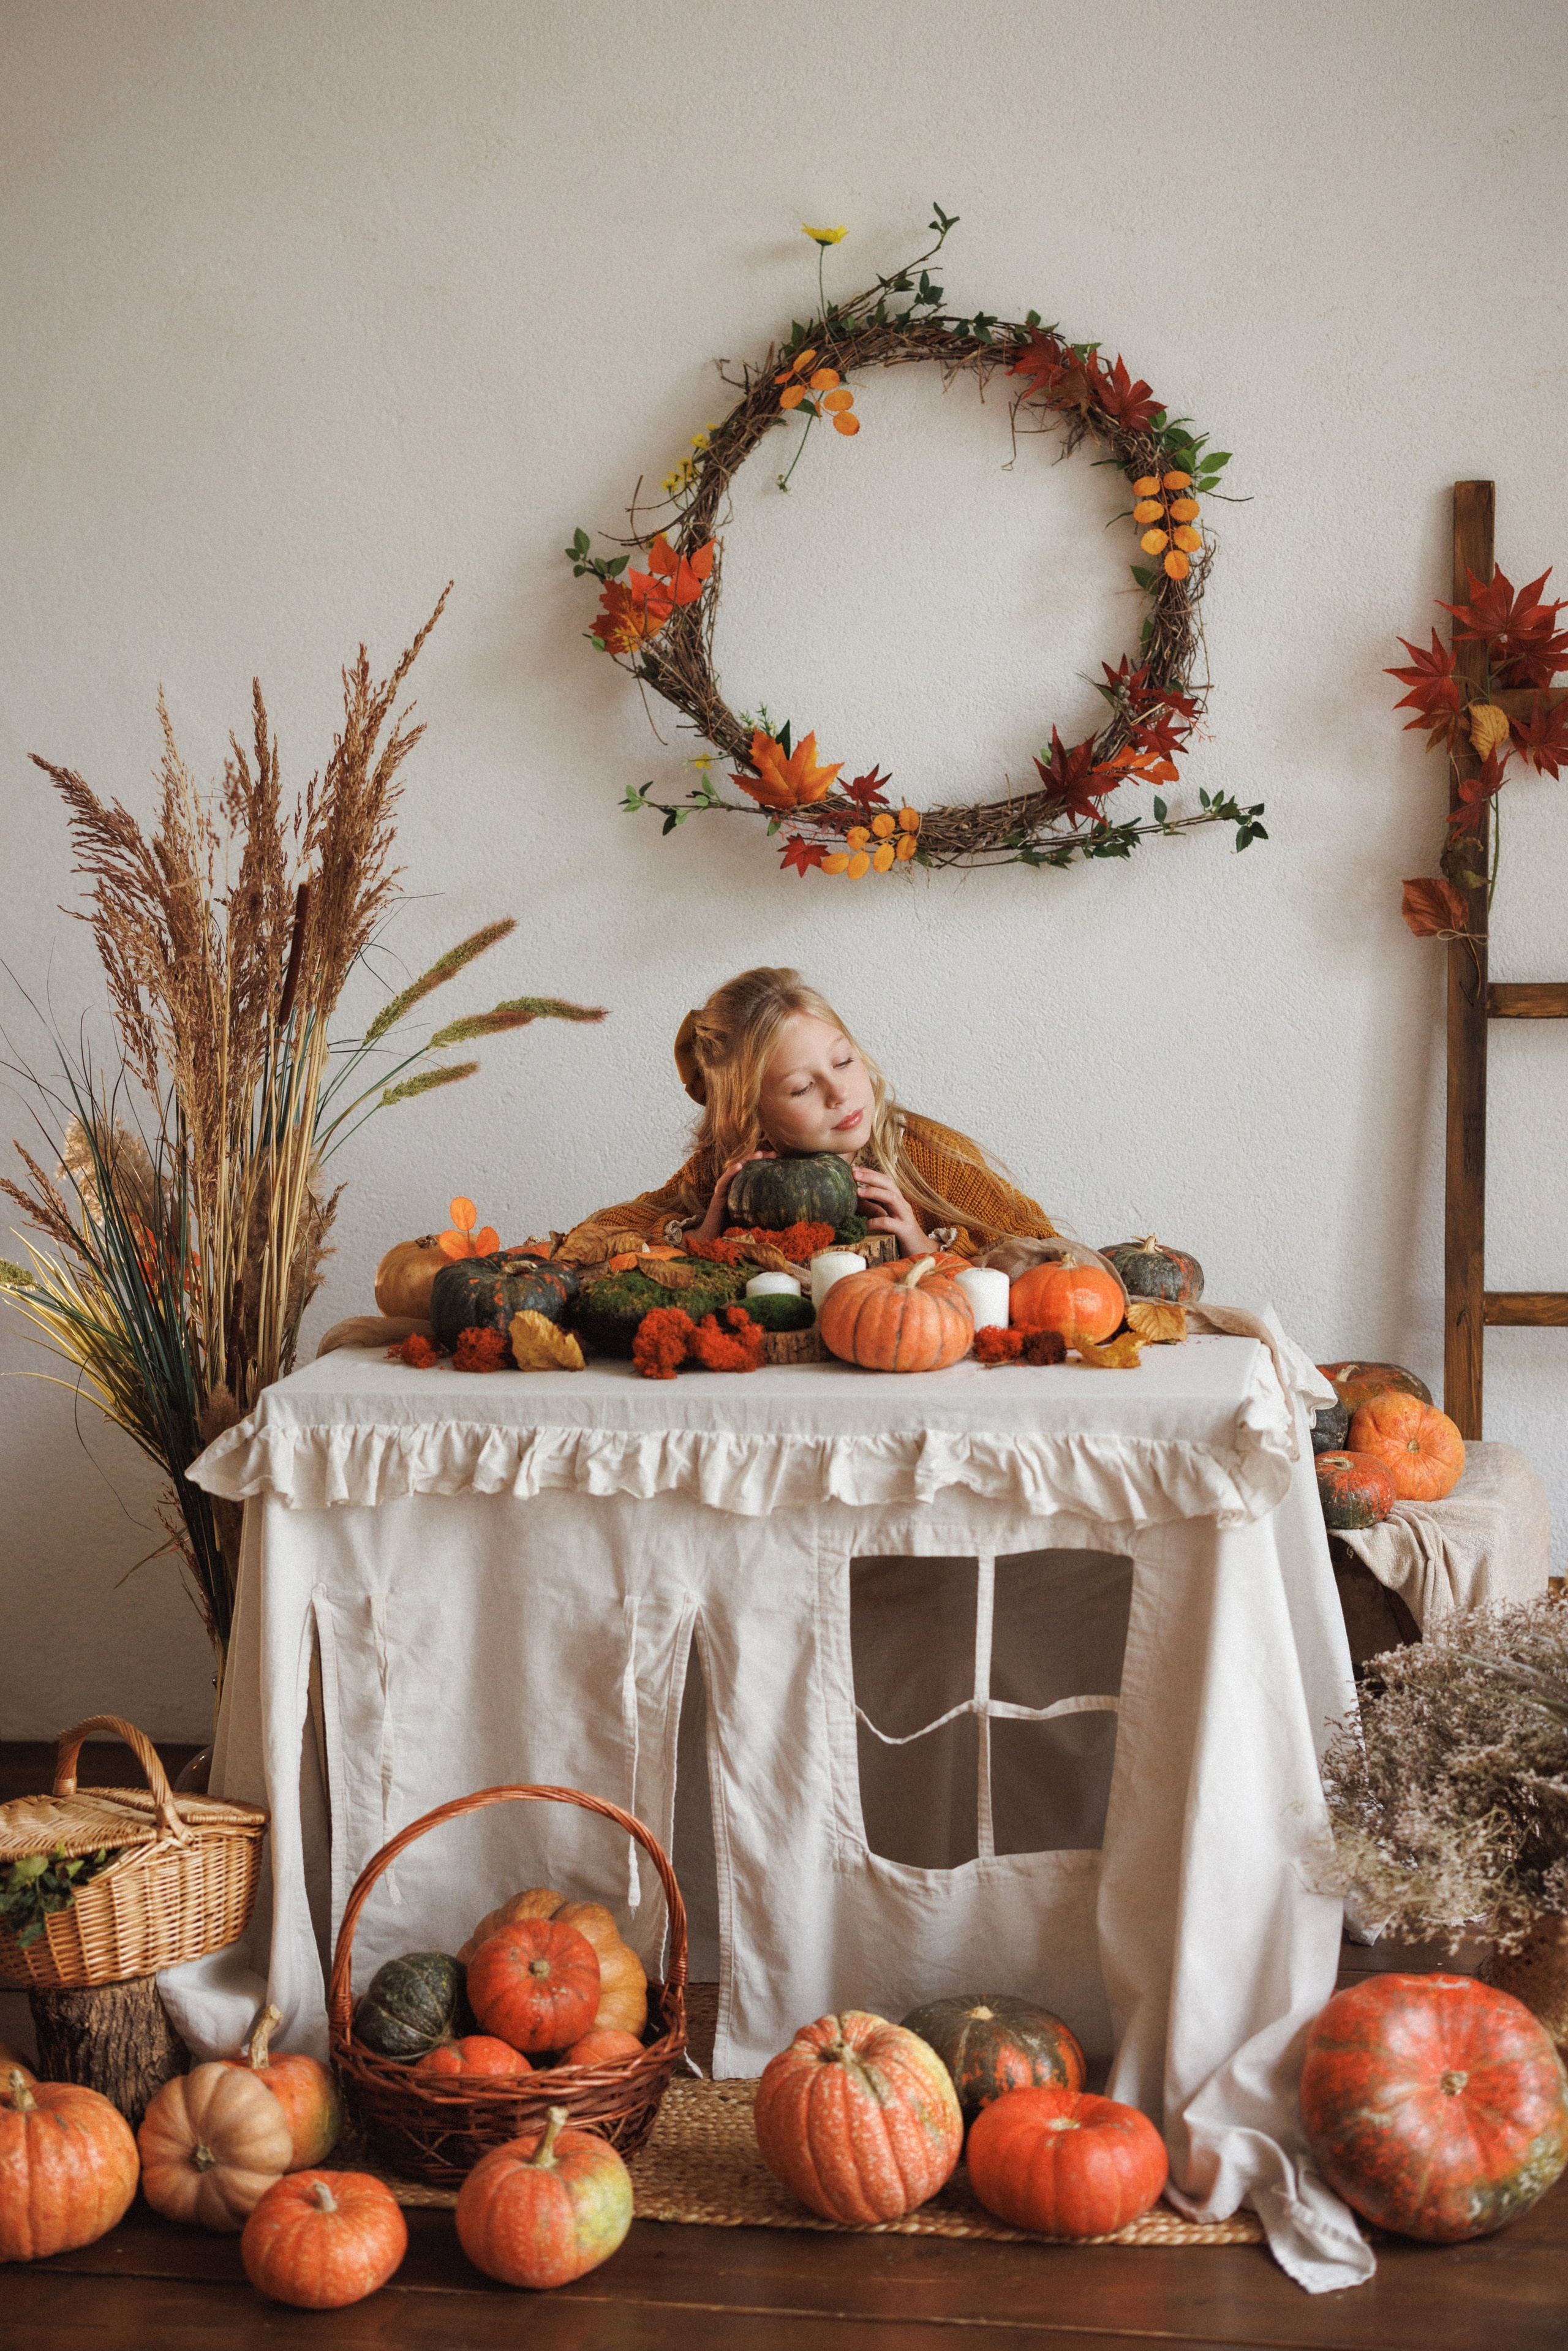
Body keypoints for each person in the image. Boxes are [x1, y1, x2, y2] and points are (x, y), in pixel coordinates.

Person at [565, 967, 1055, 1260]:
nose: (839, 1093)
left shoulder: (926, 1159)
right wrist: (701, 1234)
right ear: (752, 1113)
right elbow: (590, 1239)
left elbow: (1049, 1255)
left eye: (843, 1061)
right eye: (801, 1087)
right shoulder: (730, 1172)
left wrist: (923, 1246)